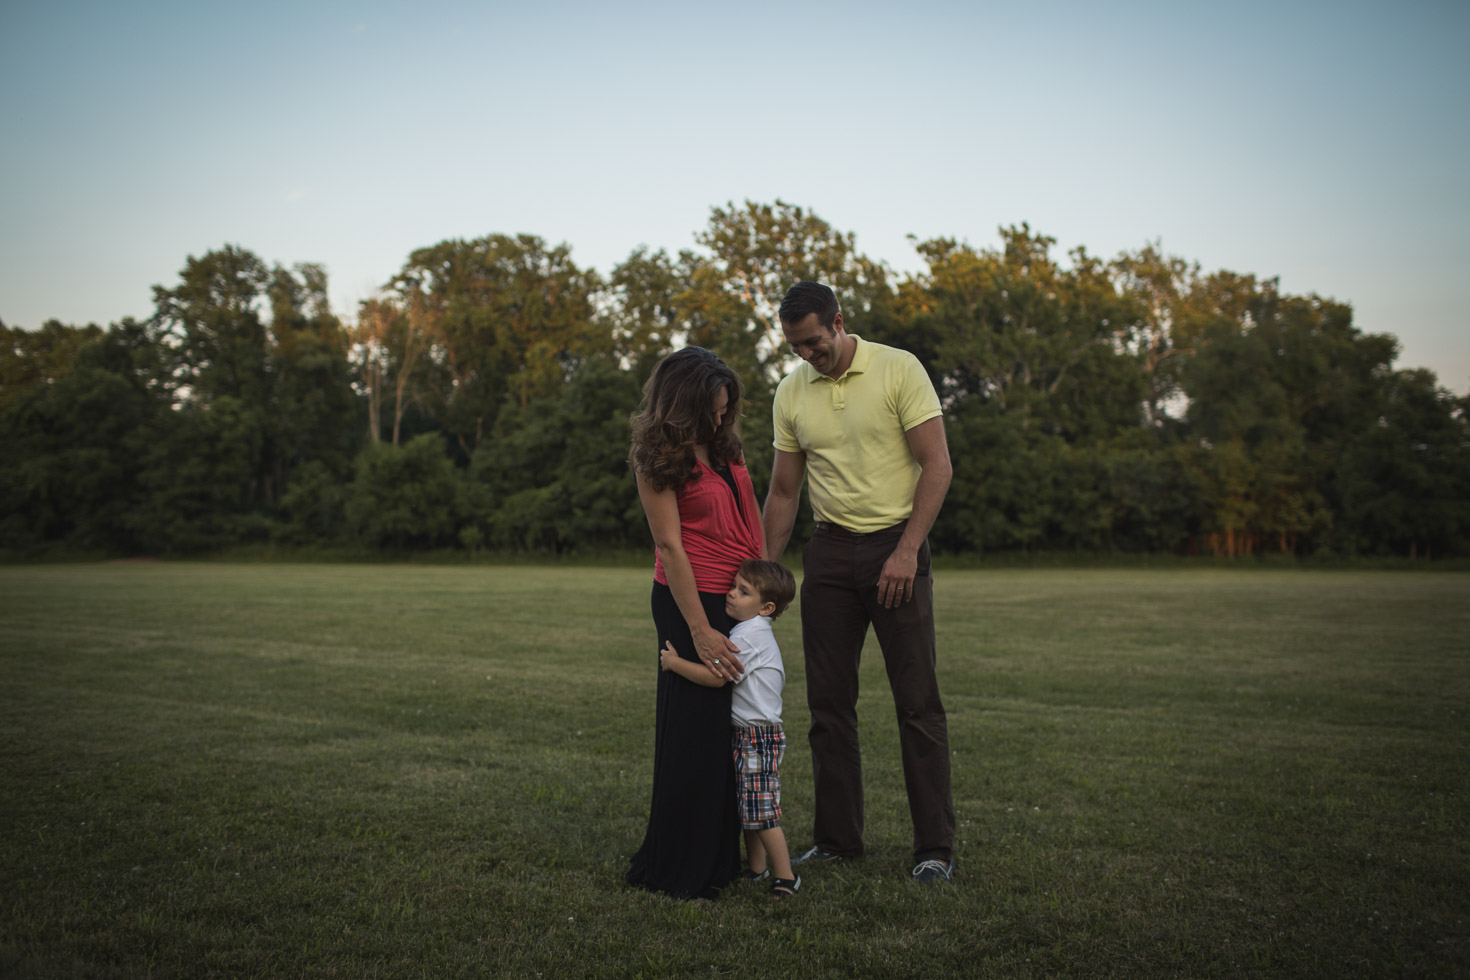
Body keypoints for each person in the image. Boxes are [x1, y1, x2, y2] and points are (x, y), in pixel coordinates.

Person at [761, 281, 958, 884]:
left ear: (840, 323)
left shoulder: (899, 369)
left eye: (815, 342)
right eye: (796, 346)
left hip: (895, 549)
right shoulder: (791, 391)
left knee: (918, 704)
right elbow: (785, 491)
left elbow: (938, 465)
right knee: (828, 706)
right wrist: (766, 575)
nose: (807, 356)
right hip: (830, 553)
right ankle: (839, 840)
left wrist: (907, 550)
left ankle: (934, 850)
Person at [625, 346, 763, 900]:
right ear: (682, 402)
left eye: (726, 407)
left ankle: (720, 860)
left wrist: (760, 596)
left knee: (732, 731)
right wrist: (701, 633)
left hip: (735, 600)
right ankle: (680, 866)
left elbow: (747, 517)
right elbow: (669, 545)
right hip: (689, 602)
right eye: (711, 407)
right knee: (695, 732)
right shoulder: (657, 458)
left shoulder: (726, 445)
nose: (720, 417)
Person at [659, 559, 801, 899]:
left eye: (743, 591)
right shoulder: (745, 630)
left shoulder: (751, 636)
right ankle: (755, 868)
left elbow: (715, 678)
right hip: (748, 734)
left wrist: (675, 664)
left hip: (757, 737)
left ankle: (786, 877)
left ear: (766, 607)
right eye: (734, 585)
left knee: (762, 811)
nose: (731, 594)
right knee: (747, 806)